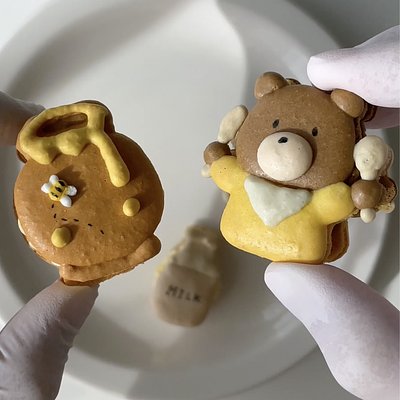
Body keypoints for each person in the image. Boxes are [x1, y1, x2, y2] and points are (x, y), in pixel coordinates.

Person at [0, 26, 399, 400]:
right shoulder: (244, 173)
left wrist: (365, 193)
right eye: (275, 123)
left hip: (296, 234)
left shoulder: (317, 183)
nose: (282, 140)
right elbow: (227, 168)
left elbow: (339, 199)